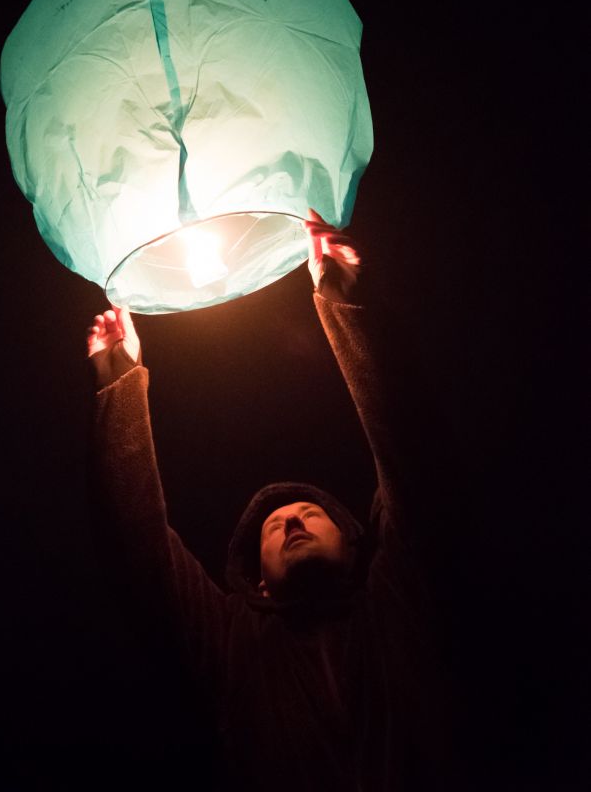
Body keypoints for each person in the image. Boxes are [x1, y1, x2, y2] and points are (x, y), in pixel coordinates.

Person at [87, 211, 446, 791]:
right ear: (258, 582)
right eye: (276, 528)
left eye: (310, 515)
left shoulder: (397, 600)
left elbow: (412, 458)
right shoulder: (234, 645)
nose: (293, 522)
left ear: (354, 548)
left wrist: (347, 304)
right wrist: (120, 382)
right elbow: (140, 548)